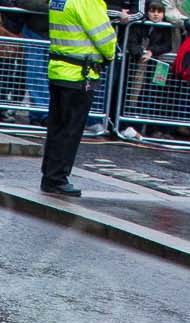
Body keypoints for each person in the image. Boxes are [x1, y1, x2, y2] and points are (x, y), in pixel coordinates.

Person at [41, 0, 115, 195]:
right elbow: (106, 39)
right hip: (79, 75)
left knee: (57, 127)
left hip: (59, 70)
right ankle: (57, 179)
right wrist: (110, 55)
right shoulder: (88, 2)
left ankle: (49, 176)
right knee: (70, 130)